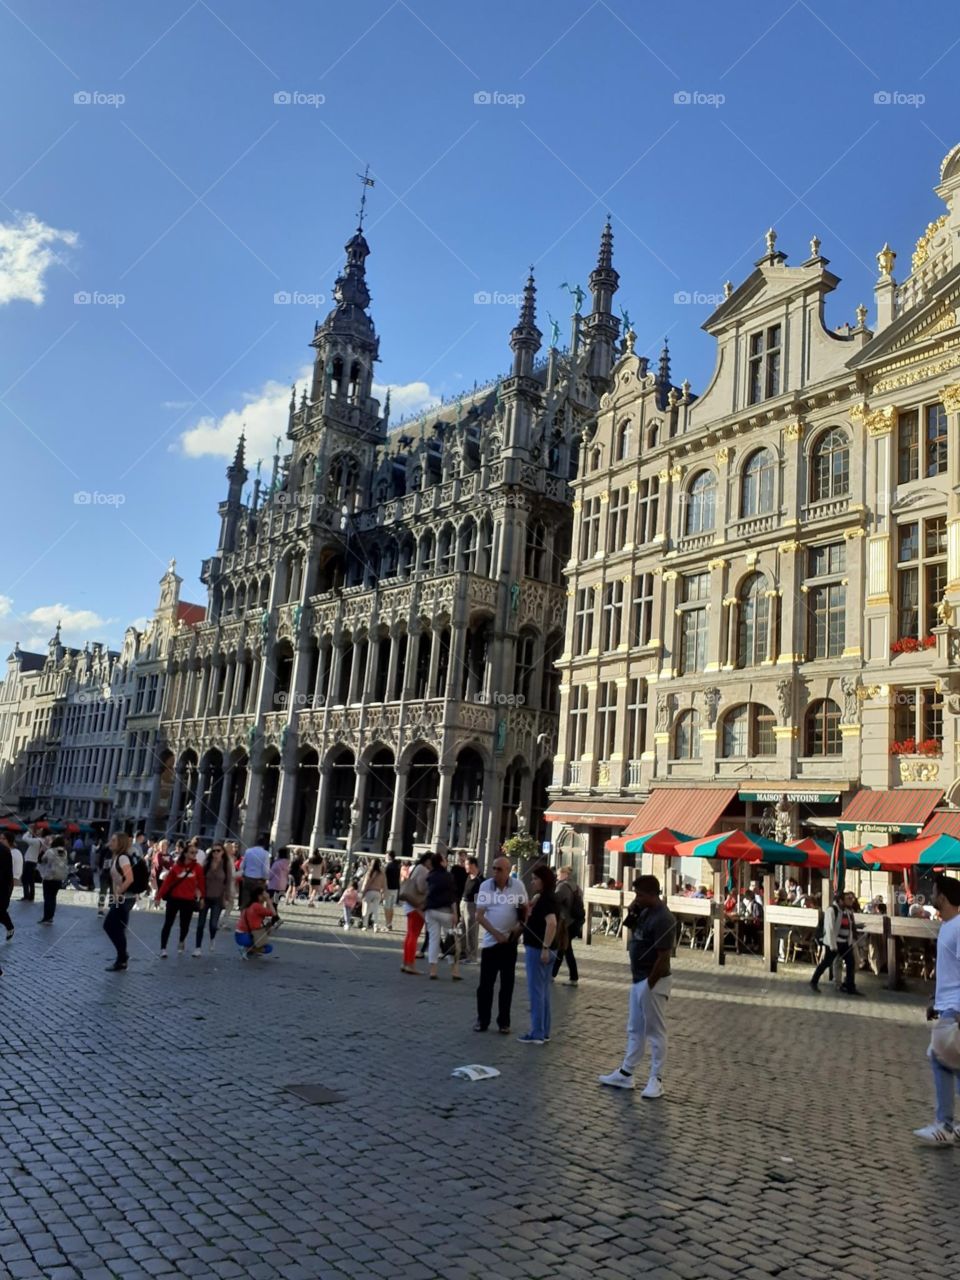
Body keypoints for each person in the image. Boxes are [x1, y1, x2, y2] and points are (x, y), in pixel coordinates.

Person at [599, 875, 676, 1096]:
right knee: (635, 1028)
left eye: (640, 895)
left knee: (655, 1031)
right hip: (638, 978)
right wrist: (633, 909)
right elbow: (629, 927)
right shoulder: (643, 910)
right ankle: (626, 1073)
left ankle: (656, 1079)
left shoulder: (663, 918)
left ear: (653, 894)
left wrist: (649, 984)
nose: (637, 898)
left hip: (653, 981)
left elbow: (663, 957)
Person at [912, 875, 960, 1143]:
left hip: (955, 1009)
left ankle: (944, 1124)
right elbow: (950, 973)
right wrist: (936, 1001)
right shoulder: (949, 926)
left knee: (939, 1058)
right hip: (948, 1006)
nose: (930, 895)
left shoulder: (958, 927)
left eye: (932, 891)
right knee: (953, 1062)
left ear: (942, 896)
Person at [474, 856, 528, 1033]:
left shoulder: (518, 886)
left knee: (507, 984)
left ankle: (504, 1022)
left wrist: (518, 927)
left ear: (508, 870)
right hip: (491, 943)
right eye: (494, 868)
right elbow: (479, 915)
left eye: (499, 869)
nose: (495, 872)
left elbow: (524, 910)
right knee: (485, 985)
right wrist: (495, 934)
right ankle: (482, 1020)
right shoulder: (485, 886)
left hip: (510, 943)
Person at [520, 865, 559, 1044]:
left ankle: (537, 1032)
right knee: (543, 991)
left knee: (536, 991)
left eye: (535, 878)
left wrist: (545, 947)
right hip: (544, 948)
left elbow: (551, 923)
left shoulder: (546, 900)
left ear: (544, 880)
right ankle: (544, 1031)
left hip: (538, 949)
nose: (532, 881)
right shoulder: (545, 897)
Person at [157, 844, 205, 957]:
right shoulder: (176, 867)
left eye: (195, 852)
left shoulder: (197, 868)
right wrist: (158, 897)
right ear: (185, 853)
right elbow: (167, 883)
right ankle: (163, 948)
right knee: (168, 924)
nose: (194, 855)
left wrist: (202, 897)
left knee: (184, 925)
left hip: (188, 901)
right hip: (174, 899)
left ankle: (181, 941)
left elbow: (202, 884)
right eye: (192, 852)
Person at [810, 890, 862, 995]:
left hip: (845, 942)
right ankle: (813, 982)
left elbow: (849, 926)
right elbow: (829, 928)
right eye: (847, 899)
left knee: (850, 963)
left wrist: (852, 937)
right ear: (840, 900)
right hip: (833, 942)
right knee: (826, 962)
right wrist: (833, 945)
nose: (850, 901)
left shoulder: (847, 911)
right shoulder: (832, 910)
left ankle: (850, 987)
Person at [424, 851, 462, 981]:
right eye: (445, 860)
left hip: (430, 911)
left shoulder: (429, 876)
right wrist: (455, 913)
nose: (446, 861)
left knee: (434, 940)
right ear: (441, 862)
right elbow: (452, 897)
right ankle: (454, 971)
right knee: (451, 939)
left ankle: (433, 971)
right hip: (446, 912)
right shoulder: (449, 876)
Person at [103, 832, 135, 971]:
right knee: (118, 928)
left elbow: (130, 879)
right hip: (122, 897)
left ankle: (123, 957)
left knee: (109, 925)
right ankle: (122, 959)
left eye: (114, 840)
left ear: (120, 843)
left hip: (125, 898)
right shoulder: (116, 857)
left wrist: (119, 892)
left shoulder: (123, 858)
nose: (111, 842)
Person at [194, 842, 232, 955]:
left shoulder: (225, 865)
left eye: (218, 851)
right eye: (214, 851)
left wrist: (227, 897)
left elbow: (228, 882)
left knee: (213, 924)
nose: (216, 853)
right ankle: (198, 947)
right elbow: (200, 880)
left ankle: (212, 939)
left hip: (218, 898)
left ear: (222, 853)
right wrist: (198, 893)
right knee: (200, 924)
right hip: (205, 897)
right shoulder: (206, 864)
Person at [398, 853, 430, 975]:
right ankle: (410, 964)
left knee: (410, 935)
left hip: (410, 904)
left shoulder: (416, 867)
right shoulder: (423, 869)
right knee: (414, 936)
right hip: (416, 904)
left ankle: (405, 962)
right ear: (427, 860)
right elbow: (421, 888)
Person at [552, 864, 582, 986]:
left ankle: (572, 977)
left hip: (566, 922)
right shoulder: (576, 886)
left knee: (565, 948)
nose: (557, 876)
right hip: (575, 921)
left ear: (565, 874)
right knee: (563, 948)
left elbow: (555, 899)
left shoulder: (563, 886)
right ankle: (555, 974)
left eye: (559, 874)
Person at [235, 885, 278, 956]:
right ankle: (248, 949)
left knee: (264, 935)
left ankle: (249, 949)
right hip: (246, 936)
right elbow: (274, 913)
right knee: (268, 948)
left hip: (240, 934)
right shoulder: (256, 906)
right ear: (259, 896)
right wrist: (268, 899)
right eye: (264, 894)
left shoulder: (250, 905)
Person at [38, 835, 68, 924]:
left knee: (47, 898)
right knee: (53, 898)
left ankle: (46, 918)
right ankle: (51, 917)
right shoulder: (64, 852)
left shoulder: (50, 851)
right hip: (59, 878)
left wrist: (43, 850)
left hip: (49, 877)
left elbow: (41, 860)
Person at [238, 834, 270, 910]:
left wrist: (243, 873)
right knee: (257, 900)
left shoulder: (248, 851)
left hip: (247, 878)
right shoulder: (265, 854)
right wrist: (266, 878)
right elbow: (265, 869)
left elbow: (242, 866)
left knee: (245, 899)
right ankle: (254, 916)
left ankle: (244, 916)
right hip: (259, 880)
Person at [461, 856, 482, 962]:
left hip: (472, 906)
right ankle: (464, 953)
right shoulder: (469, 876)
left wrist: (477, 909)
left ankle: (472, 956)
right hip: (463, 903)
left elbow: (481, 896)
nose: (465, 867)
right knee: (463, 930)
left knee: (471, 931)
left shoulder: (480, 879)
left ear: (473, 865)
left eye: (467, 864)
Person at [0, 830, 17, 941]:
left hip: (2, 887)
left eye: (3, 838)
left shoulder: (6, 852)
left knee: (0, 911)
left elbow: (9, 874)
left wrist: (9, 889)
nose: (1, 840)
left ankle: (10, 926)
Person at [361, 857, 386, 931]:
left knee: (366, 909)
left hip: (369, 892)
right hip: (377, 892)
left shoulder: (370, 872)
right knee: (376, 910)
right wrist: (383, 893)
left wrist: (363, 892)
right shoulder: (382, 873)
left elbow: (366, 883)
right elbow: (384, 884)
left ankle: (365, 926)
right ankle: (375, 926)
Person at [20, 825, 43, 903]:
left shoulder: (36, 841)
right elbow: (29, 839)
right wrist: (30, 833)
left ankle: (26, 896)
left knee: (25, 879)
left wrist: (28, 831)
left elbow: (24, 838)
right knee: (31, 880)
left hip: (29, 862)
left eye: (39, 830)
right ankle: (31, 896)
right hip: (33, 862)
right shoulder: (39, 841)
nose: (37, 831)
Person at [383, 851, 401, 930]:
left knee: (386, 907)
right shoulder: (397, 865)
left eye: (386, 855)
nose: (385, 857)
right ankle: (390, 923)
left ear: (389, 856)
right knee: (391, 907)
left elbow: (384, 878)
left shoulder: (388, 866)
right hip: (395, 888)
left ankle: (387, 924)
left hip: (388, 888)